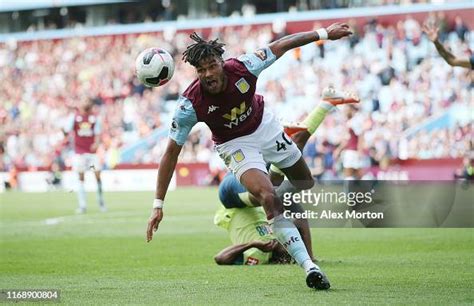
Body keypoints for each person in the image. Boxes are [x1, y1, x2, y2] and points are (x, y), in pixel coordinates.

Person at [146, 23, 353, 290]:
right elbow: (170, 154)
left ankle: (278, 166)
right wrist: (158, 205)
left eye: (212, 65)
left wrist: (324, 34)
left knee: (305, 182)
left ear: (222, 61)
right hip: (235, 145)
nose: (208, 74)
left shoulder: (244, 66)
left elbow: (282, 45)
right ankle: (309, 267)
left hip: (265, 126)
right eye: (201, 70)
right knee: (269, 197)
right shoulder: (189, 104)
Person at [214, 90, 359, 266]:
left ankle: (285, 137)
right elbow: (300, 219)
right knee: (295, 168)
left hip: (230, 196)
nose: (289, 244)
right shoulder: (281, 228)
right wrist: (310, 257)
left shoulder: (259, 255)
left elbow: (220, 258)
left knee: (270, 191)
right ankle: (325, 104)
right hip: (254, 191)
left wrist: (254, 244)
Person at [64, 98, 106, 214]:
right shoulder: (74, 117)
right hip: (79, 154)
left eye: (88, 101)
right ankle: (82, 206)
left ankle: (101, 203)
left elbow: (98, 134)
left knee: (97, 176)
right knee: (81, 178)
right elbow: (66, 130)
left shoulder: (95, 118)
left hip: (92, 154)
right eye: (84, 101)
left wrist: (96, 143)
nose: (86, 103)